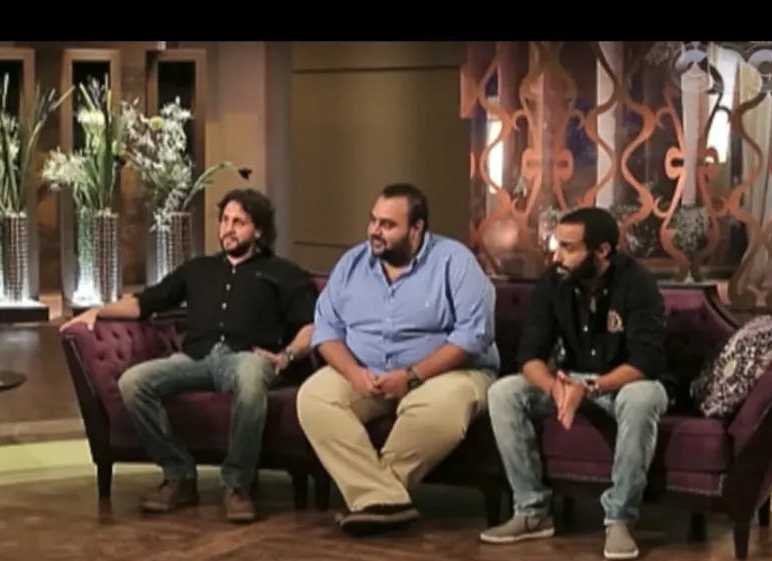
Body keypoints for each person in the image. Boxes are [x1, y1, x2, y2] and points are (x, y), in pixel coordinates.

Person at [62, 188, 317, 523]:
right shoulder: (198, 269)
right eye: (225, 220)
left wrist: (286, 356)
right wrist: (97, 311)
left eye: (238, 222)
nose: (228, 229)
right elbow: (145, 302)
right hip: (196, 357)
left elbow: (312, 325)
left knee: (251, 380)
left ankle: (237, 485)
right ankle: (179, 474)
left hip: (248, 356)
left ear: (258, 231)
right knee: (134, 382)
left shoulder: (283, 273)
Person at [295, 183, 500, 536]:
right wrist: (353, 373)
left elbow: (473, 335)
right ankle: (384, 499)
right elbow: (326, 330)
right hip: (366, 370)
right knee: (314, 397)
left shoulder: (455, 262)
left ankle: (373, 498)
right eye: (373, 221)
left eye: (387, 225)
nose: (375, 231)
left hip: (449, 372)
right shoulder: (352, 264)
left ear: (416, 230)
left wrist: (413, 376)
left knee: (441, 409)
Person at [480, 206, 669, 561]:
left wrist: (591, 387)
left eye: (568, 248)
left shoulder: (637, 283)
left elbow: (645, 363)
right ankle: (532, 511)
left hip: (625, 382)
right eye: (557, 245)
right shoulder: (554, 281)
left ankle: (619, 519)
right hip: (571, 380)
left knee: (643, 399)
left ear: (602, 251)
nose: (557, 256)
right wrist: (555, 389)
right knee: (503, 392)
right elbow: (530, 357)